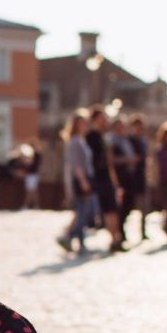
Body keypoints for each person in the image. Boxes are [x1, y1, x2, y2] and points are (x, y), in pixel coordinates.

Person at [56, 109, 94, 253]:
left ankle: (80, 243)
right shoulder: (75, 142)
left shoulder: (81, 141)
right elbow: (76, 165)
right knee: (83, 212)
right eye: (82, 123)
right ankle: (68, 236)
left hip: (83, 178)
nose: (85, 126)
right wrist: (83, 181)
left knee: (82, 212)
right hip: (80, 179)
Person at [87, 106, 124, 250]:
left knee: (112, 209)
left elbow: (109, 162)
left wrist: (115, 182)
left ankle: (116, 239)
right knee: (91, 210)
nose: (104, 121)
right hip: (95, 178)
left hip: (105, 177)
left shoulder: (104, 138)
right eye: (101, 119)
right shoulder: (90, 137)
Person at [110, 116, 138, 238]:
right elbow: (111, 160)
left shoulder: (127, 140)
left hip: (130, 177)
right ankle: (119, 231)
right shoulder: (111, 140)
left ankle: (121, 228)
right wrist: (128, 160)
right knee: (120, 206)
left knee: (129, 204)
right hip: (119, 176)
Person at [128, 115, 149, 240]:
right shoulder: (128, 140)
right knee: (129, 205)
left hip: (141, 175)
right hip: (130, 177)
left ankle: (143, 230)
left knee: (144, 206)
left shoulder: (143, 141)